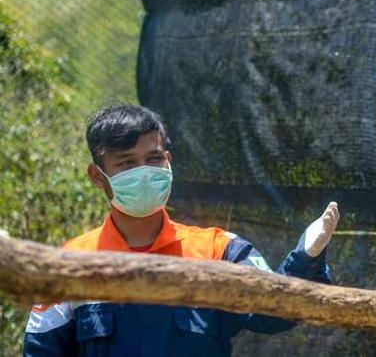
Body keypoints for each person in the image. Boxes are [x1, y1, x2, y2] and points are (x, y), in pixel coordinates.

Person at [23, 104, 340, 357]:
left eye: (153, 158)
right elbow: (41, 351)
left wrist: (305, 258)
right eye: (127, 164)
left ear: (168, 161)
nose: (144, 173)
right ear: (97, 175)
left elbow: (274, 314)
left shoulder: (219, 251)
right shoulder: (71, 264)